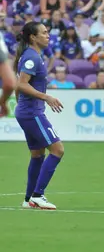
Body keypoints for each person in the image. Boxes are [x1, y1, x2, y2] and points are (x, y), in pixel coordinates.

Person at [14, 21, 65, 210]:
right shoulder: (31, 58)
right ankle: (38, 195)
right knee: (58, 150)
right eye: (43, 33)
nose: (47, 35)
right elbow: (22, 84)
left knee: (37, 155)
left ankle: (28, 199)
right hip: (32, 113)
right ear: (33, 37)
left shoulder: (33, 56)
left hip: (27, 112)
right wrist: (46, 97)